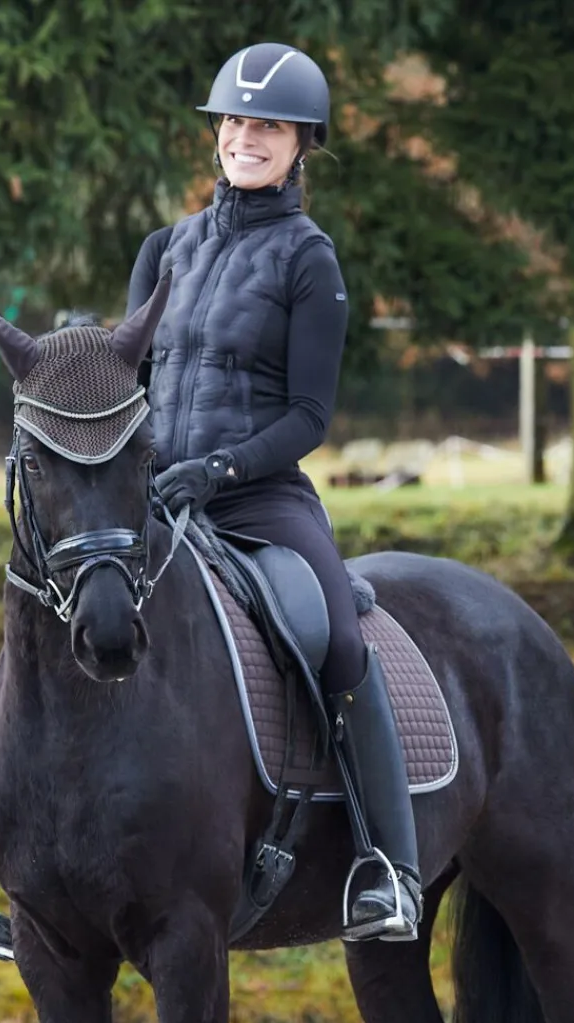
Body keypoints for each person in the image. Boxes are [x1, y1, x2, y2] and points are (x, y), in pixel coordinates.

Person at [129, 42, 421, 942]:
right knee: (64, 609)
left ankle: (387, 866)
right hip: (157, 500)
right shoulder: (162, 249)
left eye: (269, 126)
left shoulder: (310, 260)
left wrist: (217, 470)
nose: (247, 137)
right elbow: (131, 380)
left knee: (332, 635)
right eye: (236, 122)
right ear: (216, 133)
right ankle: (26, 871)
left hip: (258, 502)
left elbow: (308, 416)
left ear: (302, 145)